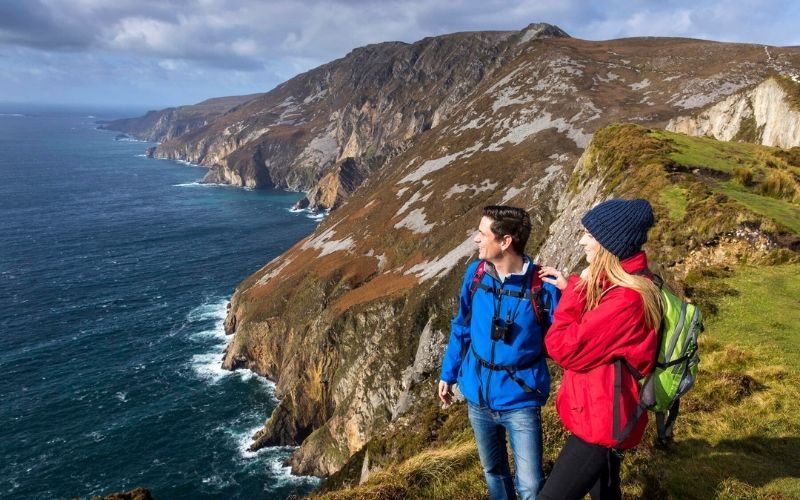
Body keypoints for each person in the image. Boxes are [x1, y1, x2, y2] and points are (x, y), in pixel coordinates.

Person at [536, 198, 662, 500]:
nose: (582, 241)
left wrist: (576, 294)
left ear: (610, 245)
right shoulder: (625, 286)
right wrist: (578, 284)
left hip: (601, 422)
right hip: (607, 410)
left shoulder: (626, 300)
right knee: (606, 492)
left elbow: (562, 347)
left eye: (590, 235)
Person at [439, 205, 560, 500]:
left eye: (482, 234)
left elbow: (564, 343)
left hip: (520, 399)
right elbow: (462, 326)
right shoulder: (476, 274)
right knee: (494, 472)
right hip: (477, 397)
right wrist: (448, 373)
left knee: (531, 485)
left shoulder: (543, 289)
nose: (476, 240)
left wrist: (572, 295)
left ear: (505, 241)